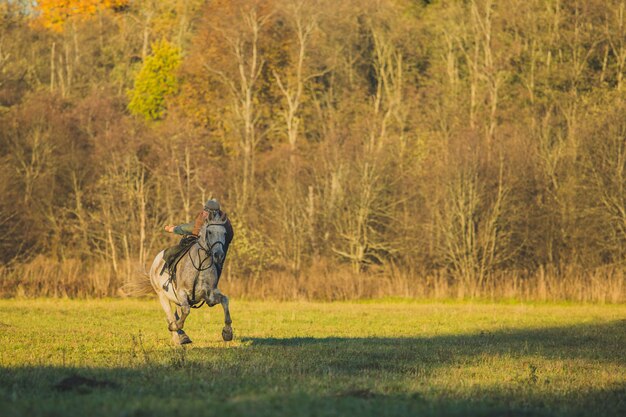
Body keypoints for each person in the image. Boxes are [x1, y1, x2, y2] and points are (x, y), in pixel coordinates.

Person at [162, 199, 234, 280]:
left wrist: (173, 229)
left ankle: (170, 270)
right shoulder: (221, 218)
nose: (204, 213)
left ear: (211, 212)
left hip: (215, 248)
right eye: (205, 210)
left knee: (172, 251)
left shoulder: (217, 221)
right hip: (216, 246)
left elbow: (189, 228)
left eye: (206, 211)